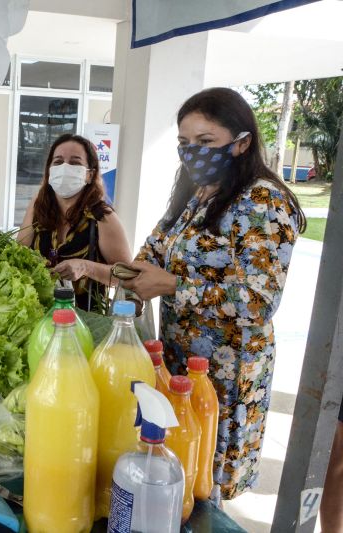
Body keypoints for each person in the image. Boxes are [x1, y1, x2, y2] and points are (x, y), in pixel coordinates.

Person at [126, 87, 306, 501]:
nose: (192, 152)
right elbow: (156, 248)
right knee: (173, 464)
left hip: (227, 373)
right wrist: (126, 274)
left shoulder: (263, 201)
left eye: (205, 141)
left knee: (205, 478)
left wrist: (172, 285)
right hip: (181, 360)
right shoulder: (198, 191)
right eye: (184, 142)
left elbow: (259, 301)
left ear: (241, 143)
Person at [17, 133, 131, 311]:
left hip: (86, 320)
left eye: (75, 163)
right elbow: (19, 255)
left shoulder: (102, 217)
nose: (65, 167)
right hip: (37, 316)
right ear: (49, 171)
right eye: (58, 161)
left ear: (89, 175)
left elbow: (127, 276)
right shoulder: (38, 206)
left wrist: (86, 267)